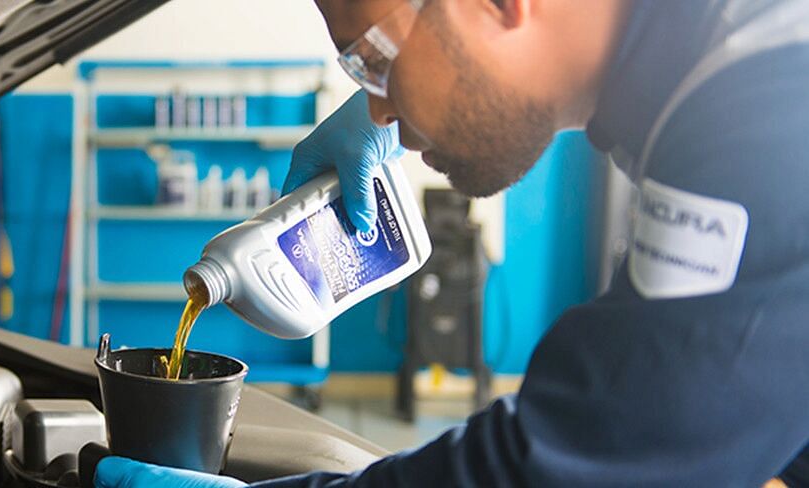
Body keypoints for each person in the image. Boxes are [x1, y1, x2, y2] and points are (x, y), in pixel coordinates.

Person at [96, 0, 809, 486]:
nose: (379, 108)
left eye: (375, 59)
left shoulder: (766, 107)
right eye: (359, 74)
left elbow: (567, 463)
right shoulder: (699, 63)